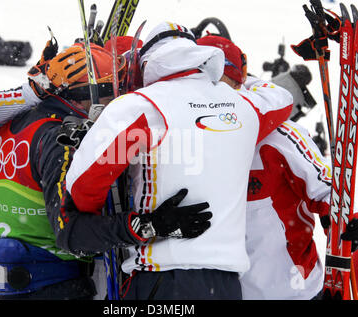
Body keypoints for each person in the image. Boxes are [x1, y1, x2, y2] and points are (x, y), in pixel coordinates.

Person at [0, 39, 212, 300]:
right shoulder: (62, 139)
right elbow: (72, 233)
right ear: (85, 96)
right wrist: (150, 225)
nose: (116, 104)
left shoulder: (8, 125)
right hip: (55, 285)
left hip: (15, 283)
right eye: (111, 95)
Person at [65, 21, 293, 300]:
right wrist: (234, 75)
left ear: (145, 61)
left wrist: (111, 221)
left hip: (163, 277)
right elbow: (282, 99)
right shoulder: (244, 106)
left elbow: (82, 186)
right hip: (226, 283)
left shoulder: (140, 107)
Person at [197, 34, 358, 300]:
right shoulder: (183, 134)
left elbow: (326, 193)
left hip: (292, 291)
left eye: (218, 83)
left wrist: (341, 224)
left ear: (238, 83)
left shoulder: (279, 137)